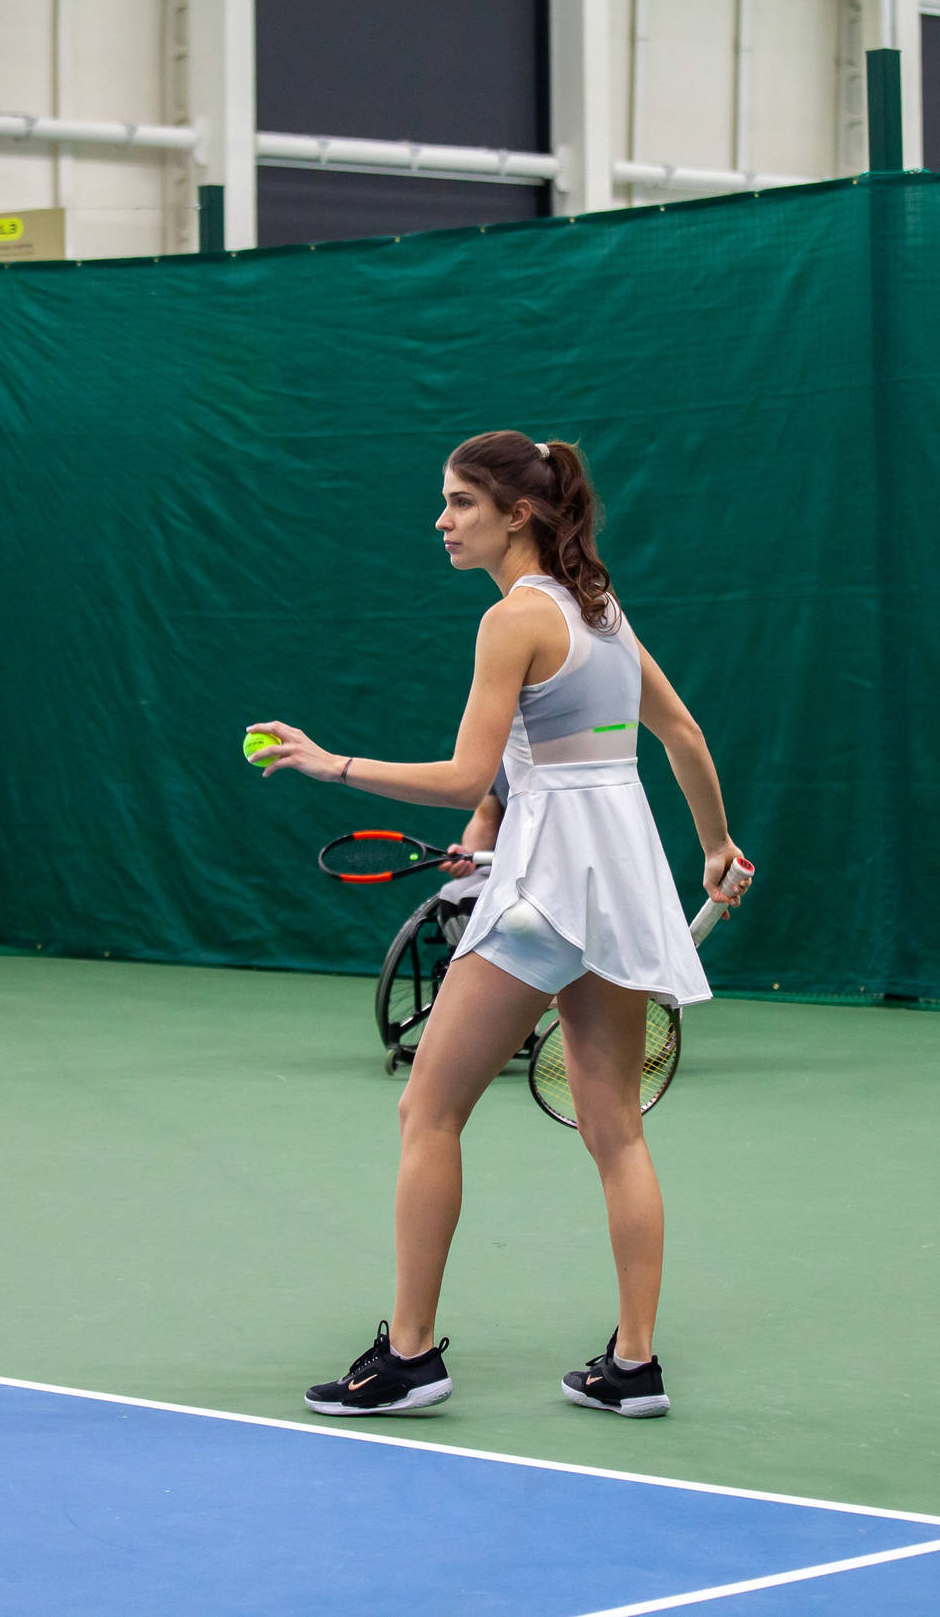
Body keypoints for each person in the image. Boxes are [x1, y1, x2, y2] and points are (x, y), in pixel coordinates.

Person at [250, 432, 750, 1422]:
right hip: (617, 876)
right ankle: (636, 1366)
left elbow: (463, 776)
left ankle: (408, 1356)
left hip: (549, 894)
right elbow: (678, 736)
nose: (441, 520)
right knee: (616, 1131)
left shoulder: (514, 620)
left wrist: (329, 763)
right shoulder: (600, 615)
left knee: (426, 1110)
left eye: (458, 503)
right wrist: (717, 848)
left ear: (515, 514)